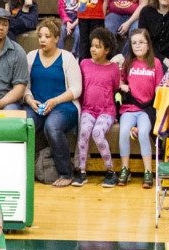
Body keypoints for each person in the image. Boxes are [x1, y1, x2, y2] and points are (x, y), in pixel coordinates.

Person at [72, 27, 121, 187]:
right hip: (88, 109)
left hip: (107, 111)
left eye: (98, 46)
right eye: (92, 45)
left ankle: (110, 171)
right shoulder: (84, 64)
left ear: (107, 50)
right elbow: (81, 87)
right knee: (84, 131)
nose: (93, 49)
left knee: (98, 133)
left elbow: (114, 88)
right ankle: (82, 172)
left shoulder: (113, 68)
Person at [118, 28, 160, 188]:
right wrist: (123, 87)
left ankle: (148, 171)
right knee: (123, 132)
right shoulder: (128, 63)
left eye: (141, 42)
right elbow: (121, 82)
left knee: (143, 133)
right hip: (129, 108)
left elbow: (159, 87)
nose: (137, 46)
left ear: (148, 45)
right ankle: (125, 169)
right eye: (134, 43)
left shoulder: (155, 63)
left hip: (146, 110)